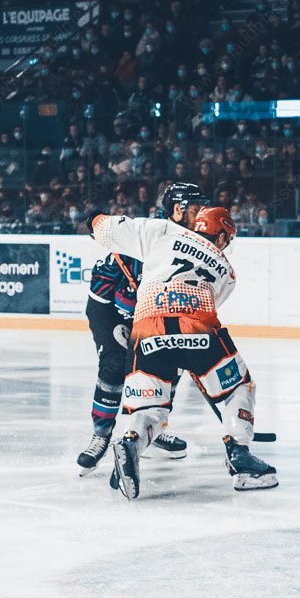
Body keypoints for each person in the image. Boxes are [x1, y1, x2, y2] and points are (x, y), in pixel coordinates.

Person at [90, 194, 277, 498]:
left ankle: (131, 442)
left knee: (151, 408)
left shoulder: (164, 231)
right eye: (227, 239)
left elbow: (109, 230)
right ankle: (240, 456)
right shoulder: (227, 271)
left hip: (147, 330)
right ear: (220, 235)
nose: (226, 244)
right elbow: (210, 303)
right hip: (198, 328)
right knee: (238, 388)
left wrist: (94, 219)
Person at [76, 185, 201, 475]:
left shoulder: (196, 241)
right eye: (196, 209)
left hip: (154, 313)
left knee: (171, 368)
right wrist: (119, 326)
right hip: (112, 309)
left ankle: (150, 428)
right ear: (178, 210)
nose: (200, 216)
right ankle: (101, 435)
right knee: (114, 364)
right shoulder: (147, 234)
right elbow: (102, 297)